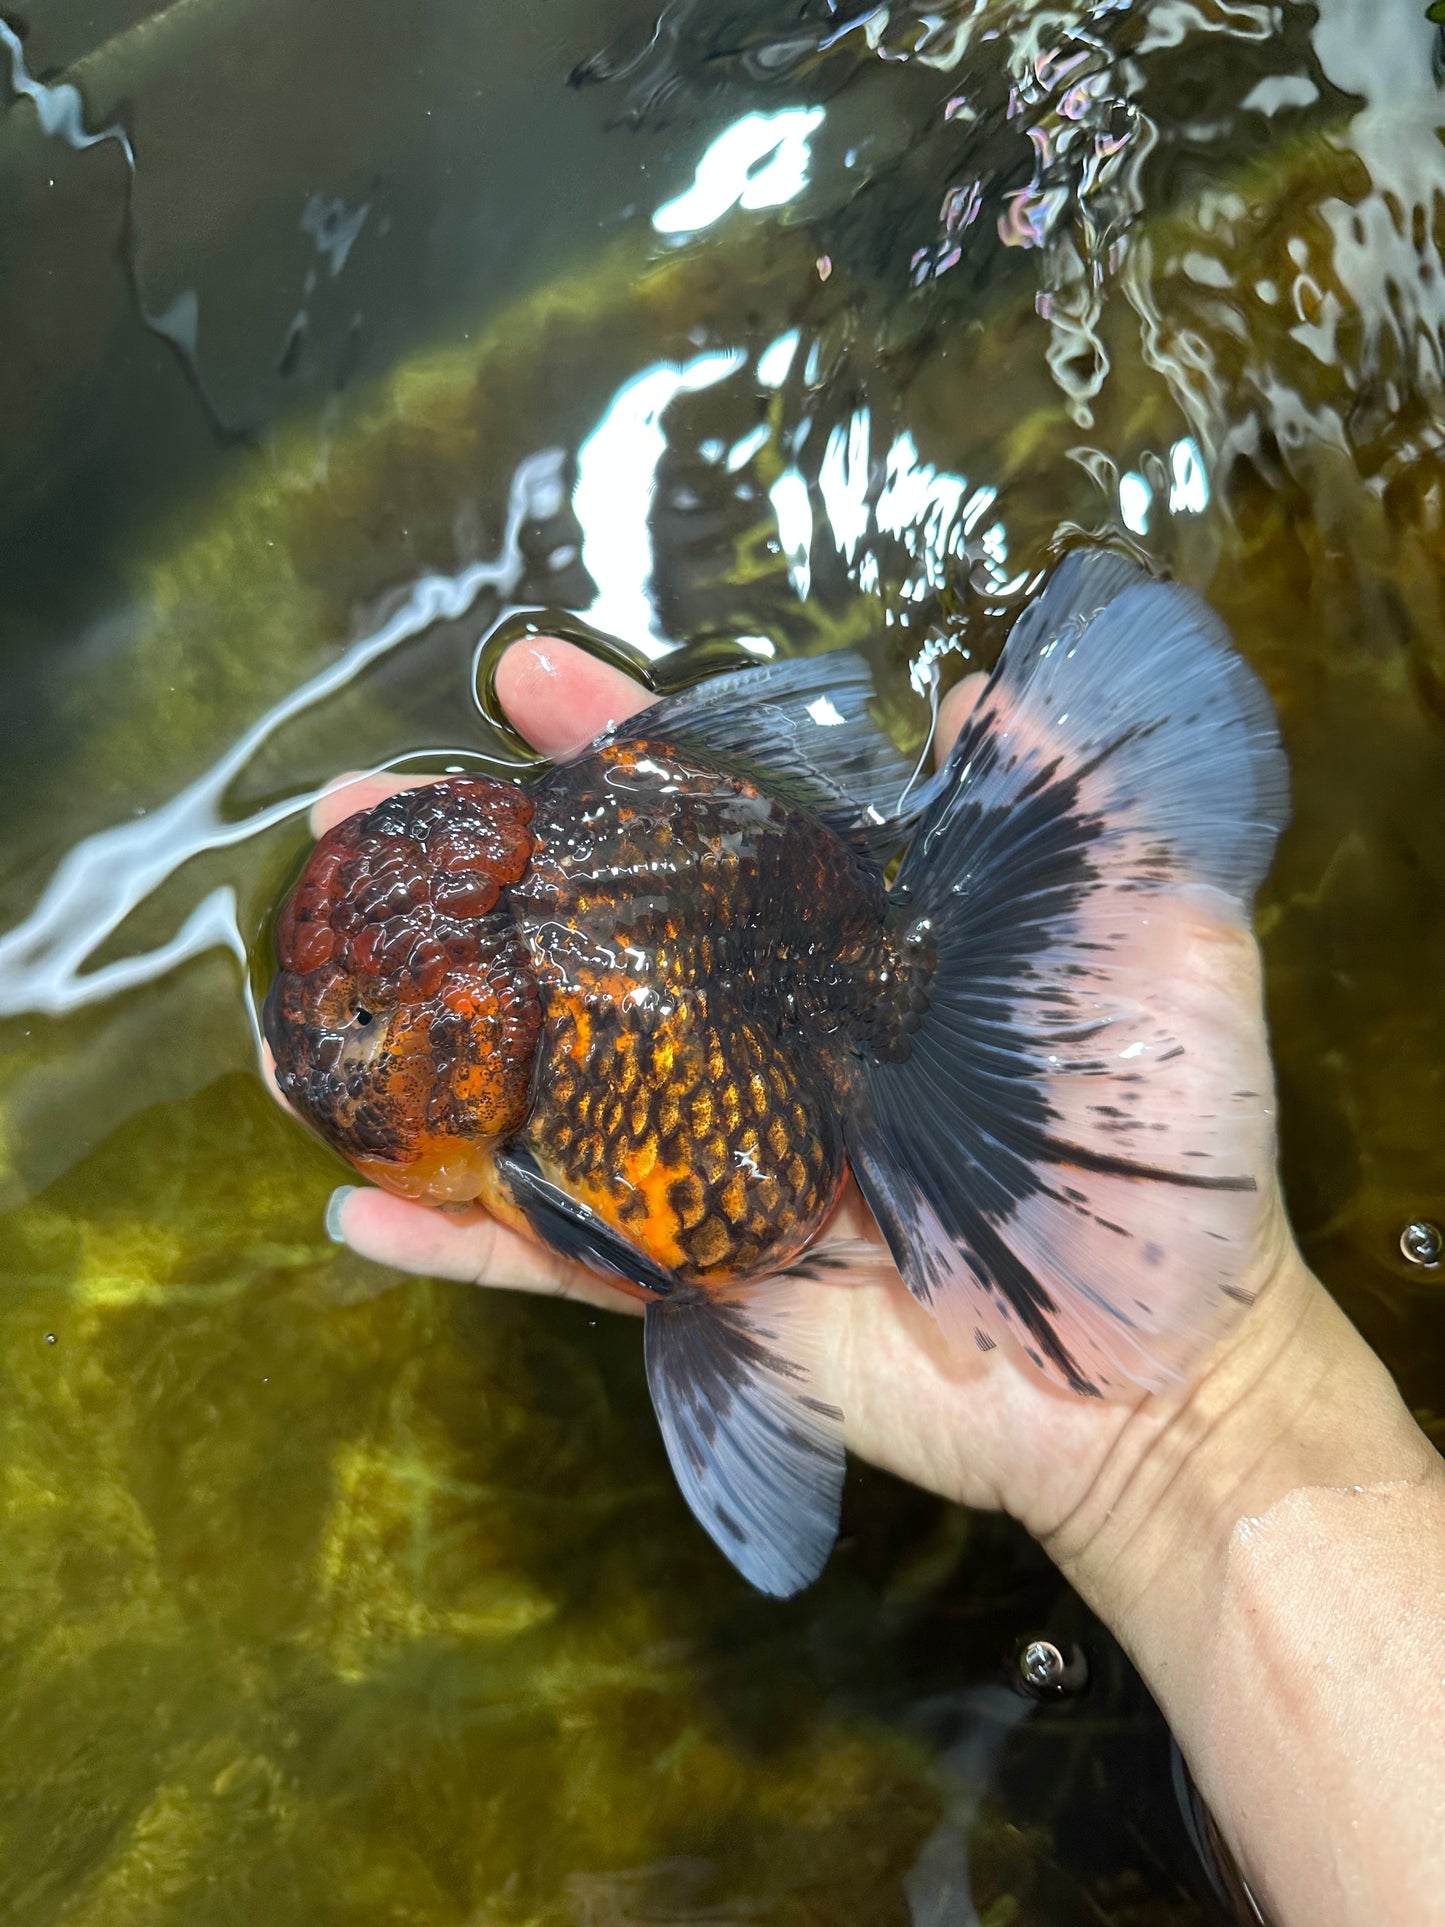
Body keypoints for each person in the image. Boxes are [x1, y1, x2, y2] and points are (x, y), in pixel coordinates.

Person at [299, 635, 1445, 1927]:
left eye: (357, 1022)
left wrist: (1202, 1413)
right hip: (788, 925)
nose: (328, 1047)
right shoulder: (527, 981)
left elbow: (661, 1274)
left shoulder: (523, 1122)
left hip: (805, 1002)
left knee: (687, 1267)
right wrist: (1201, 1423)